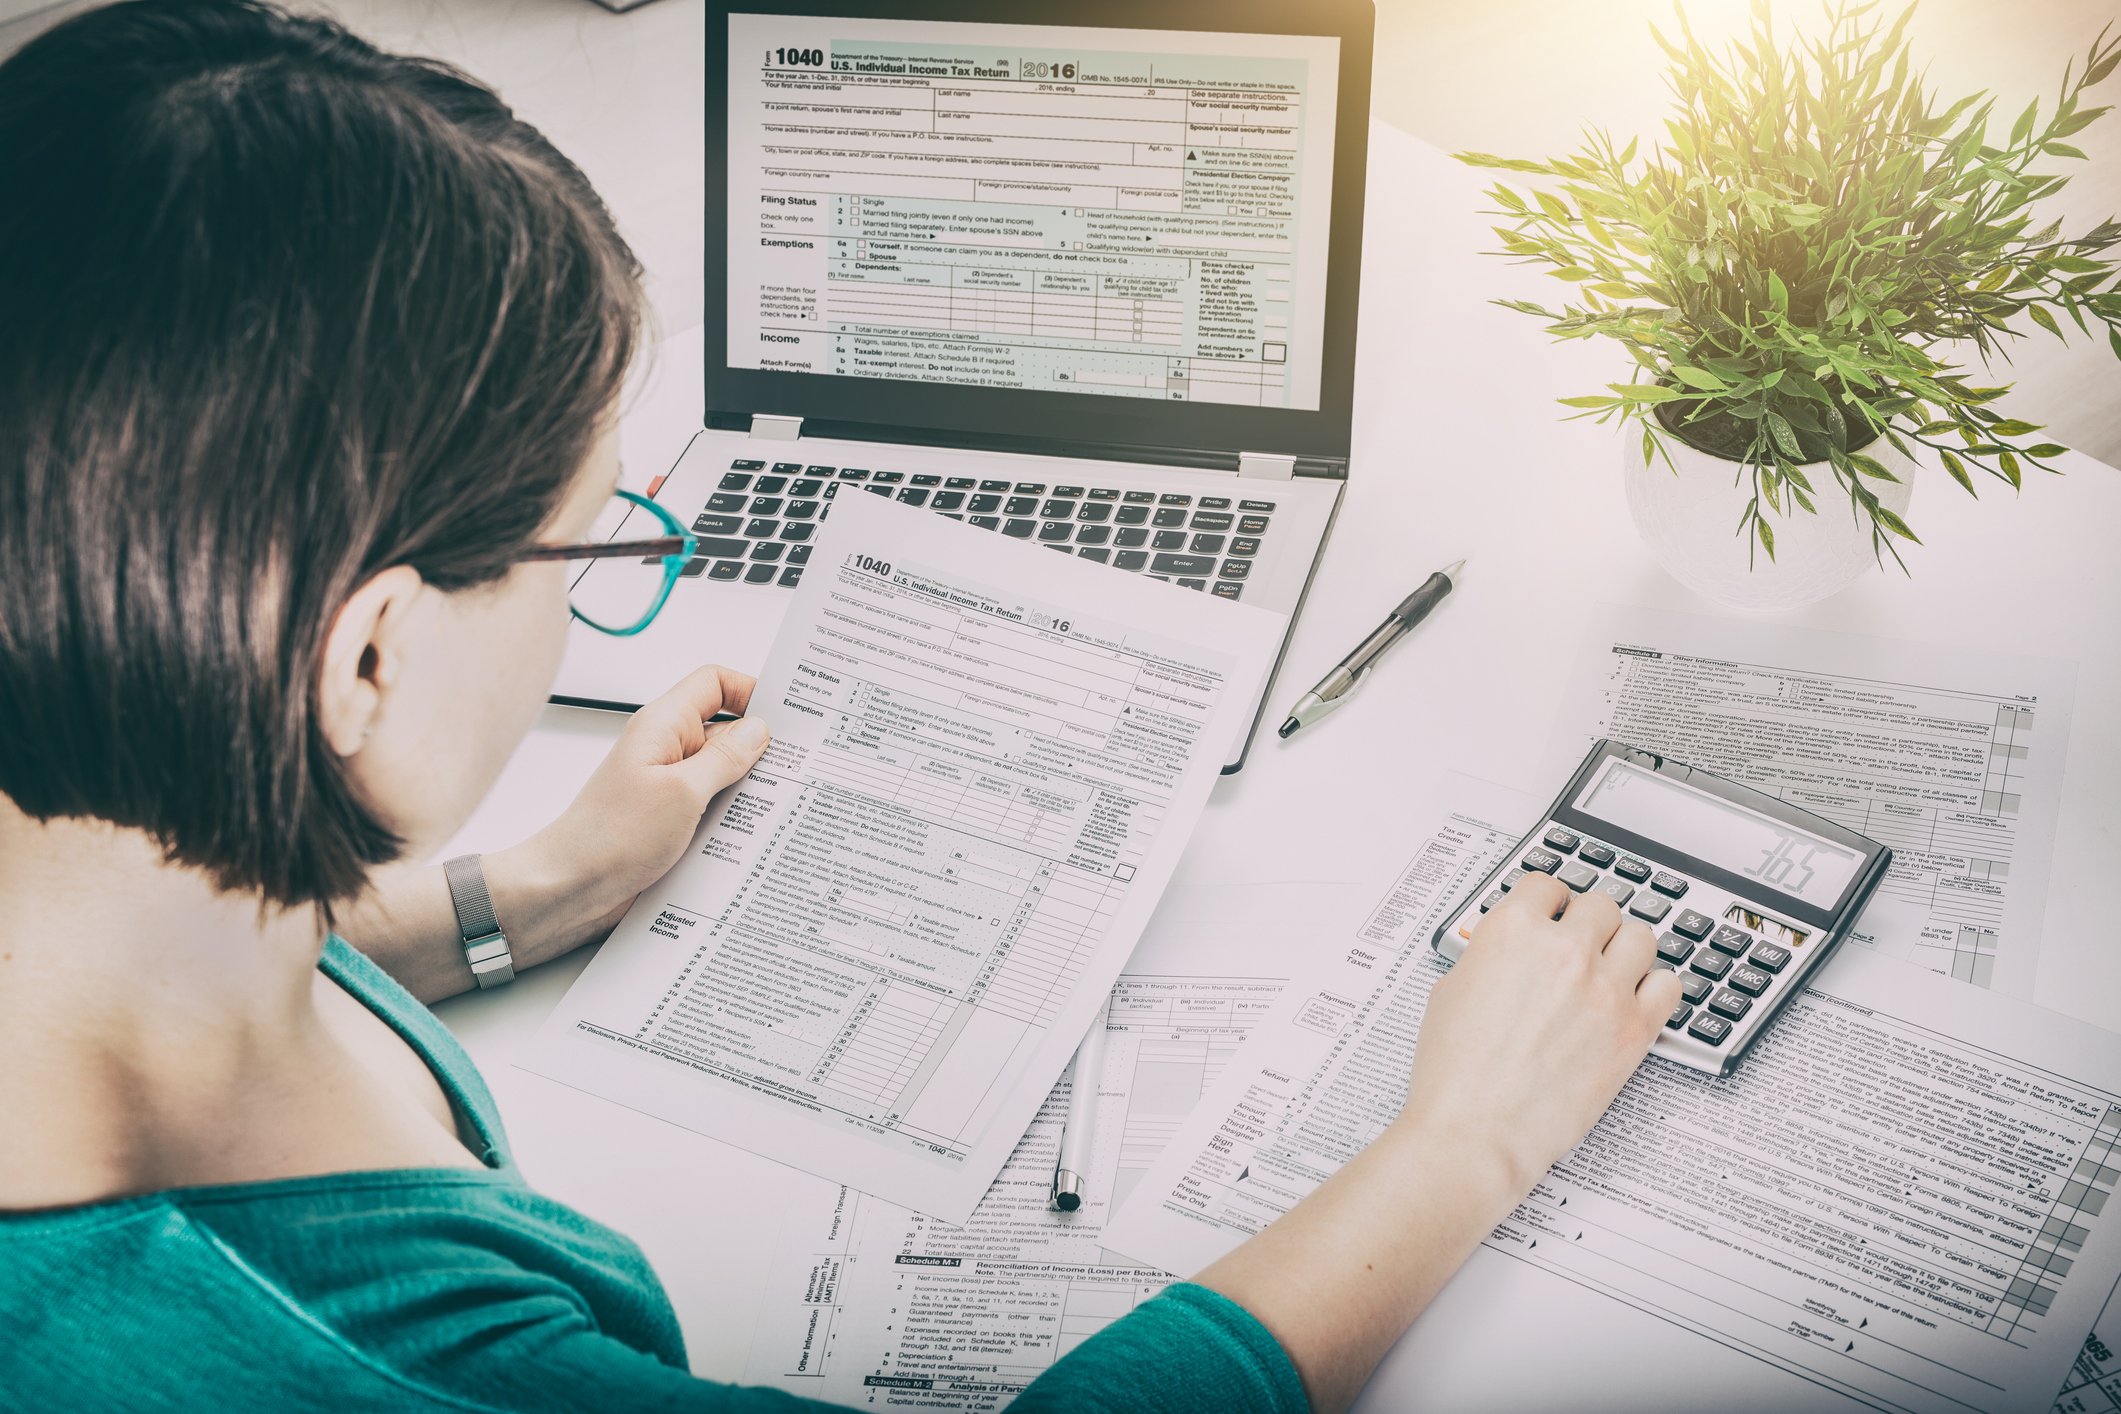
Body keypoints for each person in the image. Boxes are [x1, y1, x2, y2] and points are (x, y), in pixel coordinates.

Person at [0, 3, 1682, 1410]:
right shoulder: (363, 1361)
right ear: (368, 660)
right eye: (594, 536)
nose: (611, 568)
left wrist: (528, 894)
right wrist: (1469, 1137)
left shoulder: (96, 855)